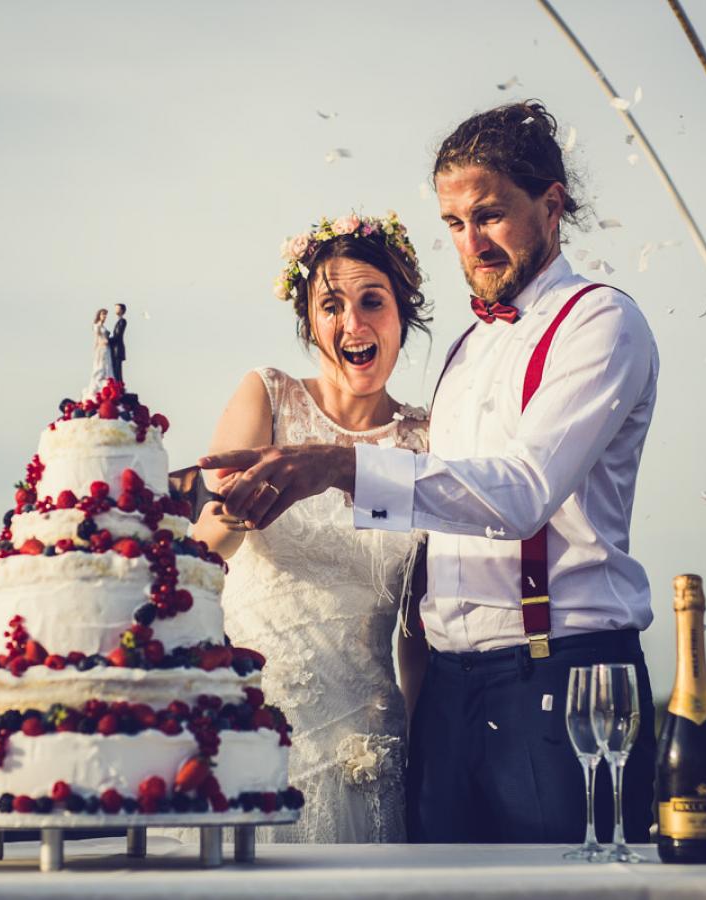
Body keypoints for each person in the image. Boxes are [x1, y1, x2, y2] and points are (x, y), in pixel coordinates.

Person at [202, 101, 659, 845]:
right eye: (454, 223)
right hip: (443, 700)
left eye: (489, 216)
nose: (471, 243)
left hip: (554, 673)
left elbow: (520, 494)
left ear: (552, 204)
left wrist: (338, 466)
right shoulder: (465, 354)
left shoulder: (600, 324)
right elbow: (423, 556)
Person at [187, 212, 433, 843]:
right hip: (253, 725)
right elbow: (204, 552)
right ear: (310, 324)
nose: (353, 324)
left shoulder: (425, 440)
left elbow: (419, 627)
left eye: (372, 301)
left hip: (369, 740)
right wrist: (233, 516)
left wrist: (418, 738)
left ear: (402, 314)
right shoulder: (266, 396)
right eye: (331, 306)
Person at [84, 307, 115, 398]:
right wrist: (99, 345)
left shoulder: (103, 326)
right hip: (102, 348)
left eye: (105, 315)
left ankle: (107, 381)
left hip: (107, 348)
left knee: (108, 366)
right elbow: (97, 338)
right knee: (101, 366)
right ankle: (99, 382)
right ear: (99, 315)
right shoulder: (97, 326)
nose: (104, 316)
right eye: (103, 314)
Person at [108, 303, 128, 386]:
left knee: (117, 371)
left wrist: (107, 340)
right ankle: (118, 386)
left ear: (122, 310)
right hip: (115, 349)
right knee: (115, 370)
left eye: (117, 308)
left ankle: (119, 387)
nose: (116, 310)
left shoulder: (122, 321)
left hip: (117, 349)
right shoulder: (119, 321)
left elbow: (118, 336)